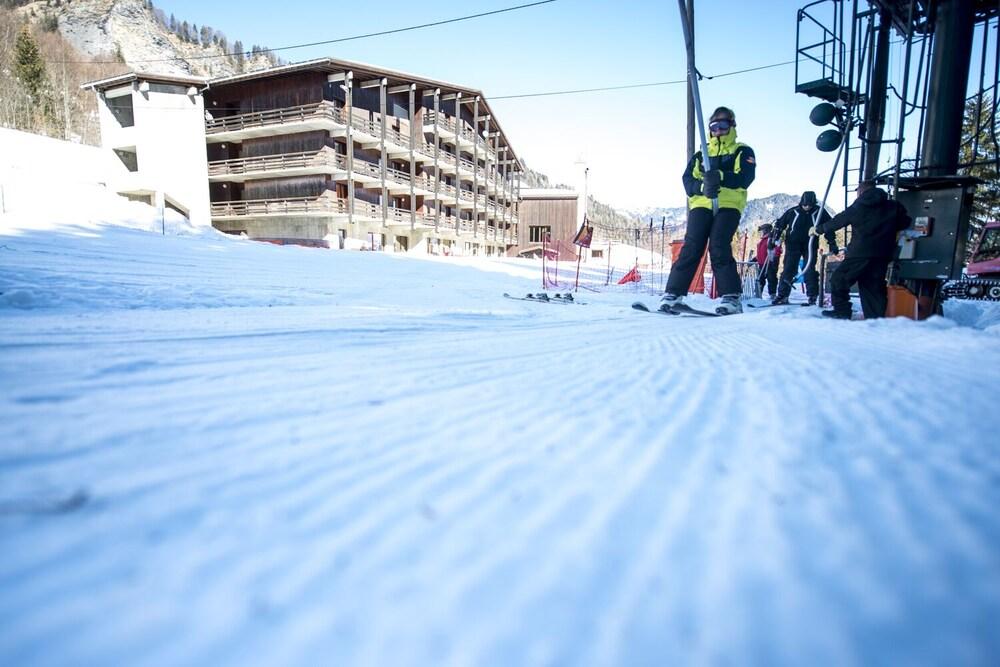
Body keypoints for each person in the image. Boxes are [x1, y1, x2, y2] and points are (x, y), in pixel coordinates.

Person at [659, 106, 757, 315]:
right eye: (714, 126)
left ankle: (731, 296)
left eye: (723, 125)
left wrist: (721, 176)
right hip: (702, 204)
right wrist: (702, 187)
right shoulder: (701, 154)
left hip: (729, 204)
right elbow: (688, 181)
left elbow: (745, 178)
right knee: (692, 245)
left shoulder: (742, 150)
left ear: (732, 126)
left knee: (719, 245)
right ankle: (673, 293)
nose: (718, 130)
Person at [813, 181, 912, 319]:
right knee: (872, 286)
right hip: (882, 254)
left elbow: (838, 221)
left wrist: (819, 229)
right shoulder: (893, 206)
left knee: (839, 280)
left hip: (859, 253)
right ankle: (875, 318)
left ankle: (842, 311)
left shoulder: (859, 206)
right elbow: (906, 222)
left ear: (861, 191)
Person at [771, 191, 839, 305]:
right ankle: (783, 295)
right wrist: (775, 237)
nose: (807, 207)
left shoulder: (819, 212)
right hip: (793, 244)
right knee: (789, 268)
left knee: (809, 269)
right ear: (801, 203)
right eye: (805, 204)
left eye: (809, 205)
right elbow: (780, 224)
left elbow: (828, 227)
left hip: (810, 244)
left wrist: (832, 242)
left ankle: (812, 295)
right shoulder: (793, 211)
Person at [755, 222, 781, 298]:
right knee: (760, 279)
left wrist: (775, 258)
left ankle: (772, 294)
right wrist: (755, 259)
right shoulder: (762, 241)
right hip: (762, 263)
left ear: (766, 231)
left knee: (771, 278)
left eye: (762, 231)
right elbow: (761, 252)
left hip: (770, 263)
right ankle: (758, 295)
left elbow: (777, 249)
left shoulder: (771, 239)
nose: (761, 233)